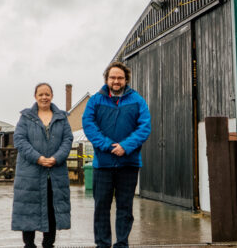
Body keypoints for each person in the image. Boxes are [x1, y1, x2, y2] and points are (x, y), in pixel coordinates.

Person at [82, 61, 151, 248]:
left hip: (128, 164)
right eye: (112, 77)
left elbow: (144, 127)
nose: (116, 81)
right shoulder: (95, 101)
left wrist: (125, 146)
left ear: (126, 79)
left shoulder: (137, 100)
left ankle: (122, 243)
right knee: (101, 208)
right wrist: (108, 145)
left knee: (125, 208)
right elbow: (89, 125)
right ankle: (102, 244)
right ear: (107, 79)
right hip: (103, 165)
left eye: (120, 77)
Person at [12, 83, 74, 248]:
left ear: (52, 96)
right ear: (35, 96)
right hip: (30, 173)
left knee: (52, 209)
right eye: (41, 94)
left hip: (55, 173)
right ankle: (29, 244)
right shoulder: (26, 117)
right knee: (28, 208)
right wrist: (37, 158)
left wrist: (56, 158)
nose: (44, 97)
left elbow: (67, 140)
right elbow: (19, 140)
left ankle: (48, 243)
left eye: (47, 94)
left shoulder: (61, 117)